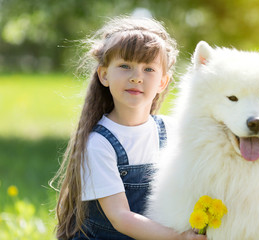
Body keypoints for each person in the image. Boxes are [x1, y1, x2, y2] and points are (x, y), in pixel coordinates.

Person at [51, 16, 207, 240]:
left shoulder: (171, 131)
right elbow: (120, 217)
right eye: (125, 66)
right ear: (104, 75)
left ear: (163, 82)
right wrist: (180, 237)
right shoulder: (99, 143)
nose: (136, 78)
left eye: (148, 69)